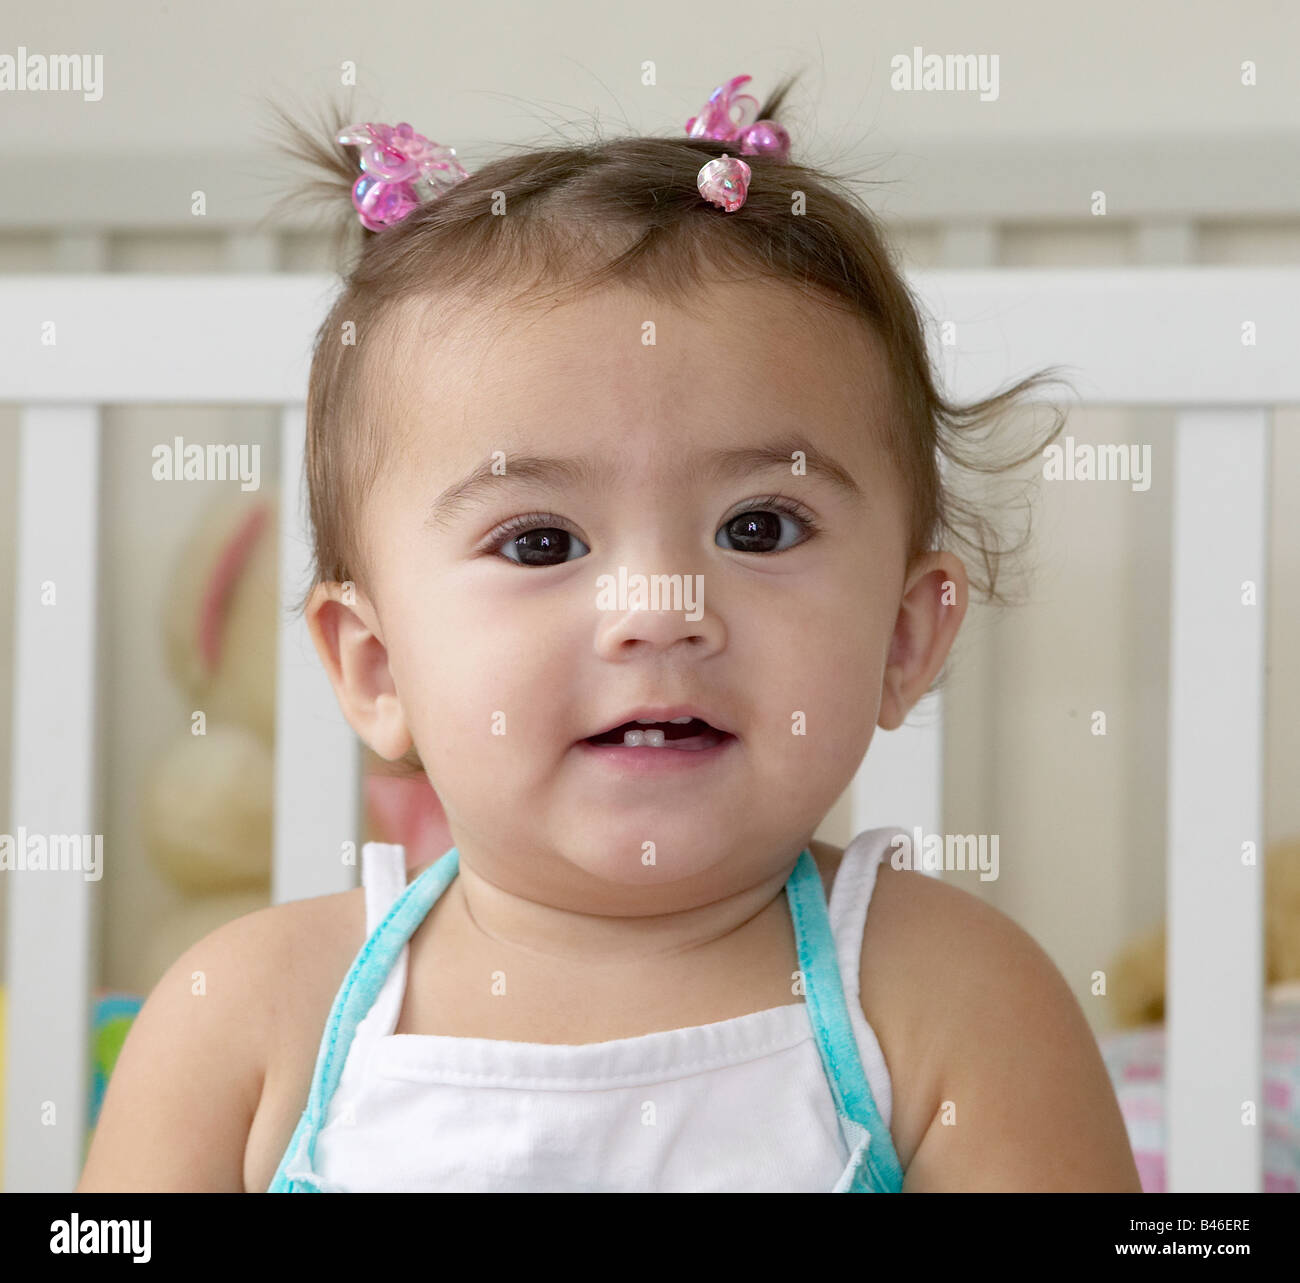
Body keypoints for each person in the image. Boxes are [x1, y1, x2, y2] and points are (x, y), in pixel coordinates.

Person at [78, 73, 1141, 1193]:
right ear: (376, 666)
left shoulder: (945, 1001)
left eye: (759, 525)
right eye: (540, 542)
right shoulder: (246, 1019)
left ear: (901, 637)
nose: (661, 610)